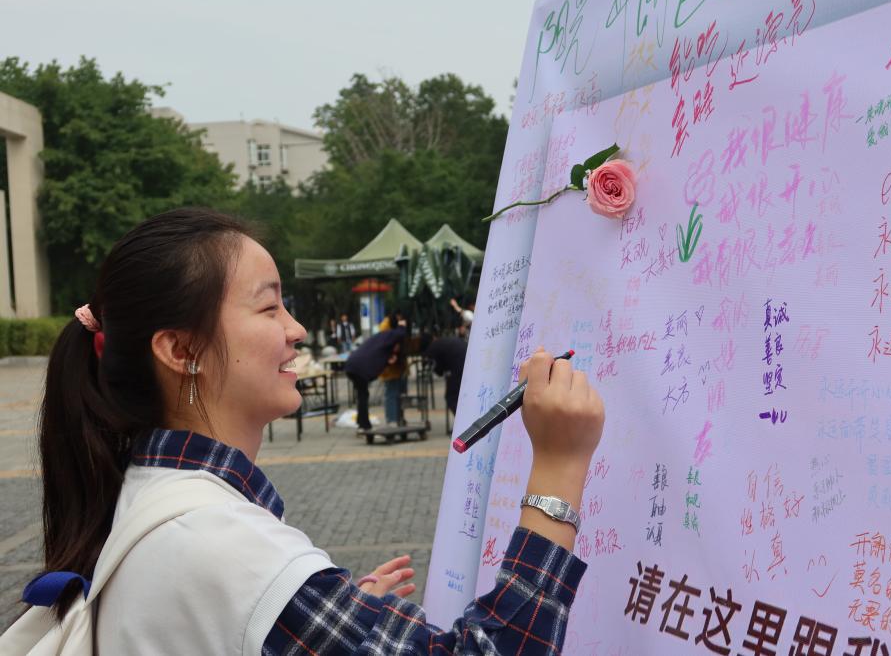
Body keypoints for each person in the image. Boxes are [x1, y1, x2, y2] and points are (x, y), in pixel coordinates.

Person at [6, 207, 605, 653]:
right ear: (182, 350)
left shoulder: (154, 494)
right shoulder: (219, 543)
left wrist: (320, 613)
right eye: (269, 308)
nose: (295, 330)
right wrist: (559, 465)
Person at [344, 322, 406, 431]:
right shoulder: (389, 337)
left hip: (352, 365)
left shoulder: (381, 340)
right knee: (363, 395)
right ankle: (364, 425)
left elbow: (379, 360)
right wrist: (402, 325)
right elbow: (400, 334)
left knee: (362, 395)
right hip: (359, 368)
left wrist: (388, 361)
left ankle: (361, 422)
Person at [422, 335, 468, 416]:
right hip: (467, 359)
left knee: (451, 397)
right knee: (463, 395)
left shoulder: (431, 349)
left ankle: (462, 419)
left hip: (459, 366)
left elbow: (438, 370)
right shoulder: (442, 341)